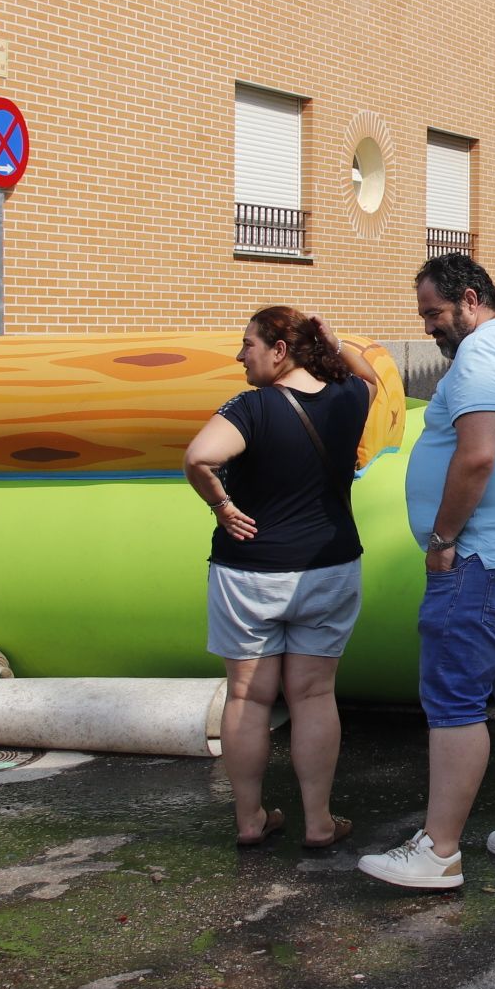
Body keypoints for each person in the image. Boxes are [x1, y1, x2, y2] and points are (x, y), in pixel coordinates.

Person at [361, 254, 495, 892]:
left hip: (484, 560)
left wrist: (443, 537)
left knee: (455, 701)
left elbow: (478, 455)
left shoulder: (483, 353)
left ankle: (439, 852)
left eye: (434, 313)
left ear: (472, 298)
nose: (430, 327)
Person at [183, 307, 375, 855]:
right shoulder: (347, 399)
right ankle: (318, 821)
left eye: (247, 344)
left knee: (247, 696)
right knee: (314, 695)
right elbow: (372, 377)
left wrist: (221, 503)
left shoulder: (251, 407)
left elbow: (199, 456)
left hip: (250, 572)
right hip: (329, 567)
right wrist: (337, 339)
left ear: (279, 350)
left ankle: (250, 819)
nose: (240, 355)